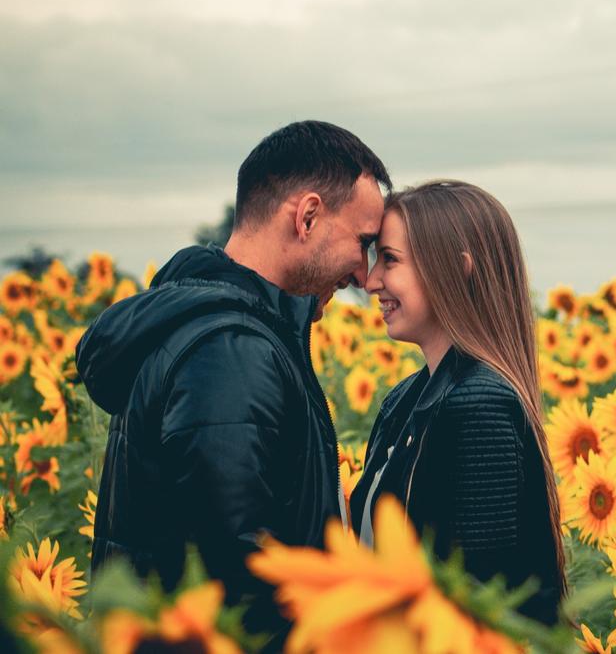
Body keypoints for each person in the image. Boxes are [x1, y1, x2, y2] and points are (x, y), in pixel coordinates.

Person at [76, 120, 390, 639]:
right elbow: (237, 572)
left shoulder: (218, 329)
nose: (363, 273)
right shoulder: (231, 349)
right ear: (308, 216)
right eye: (363, 241)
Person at [349, 180, 566, 627]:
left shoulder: (478, 403)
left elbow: (480, 603)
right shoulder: (404, 400)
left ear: (456, 267)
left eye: (389, 260)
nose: (371, 281)